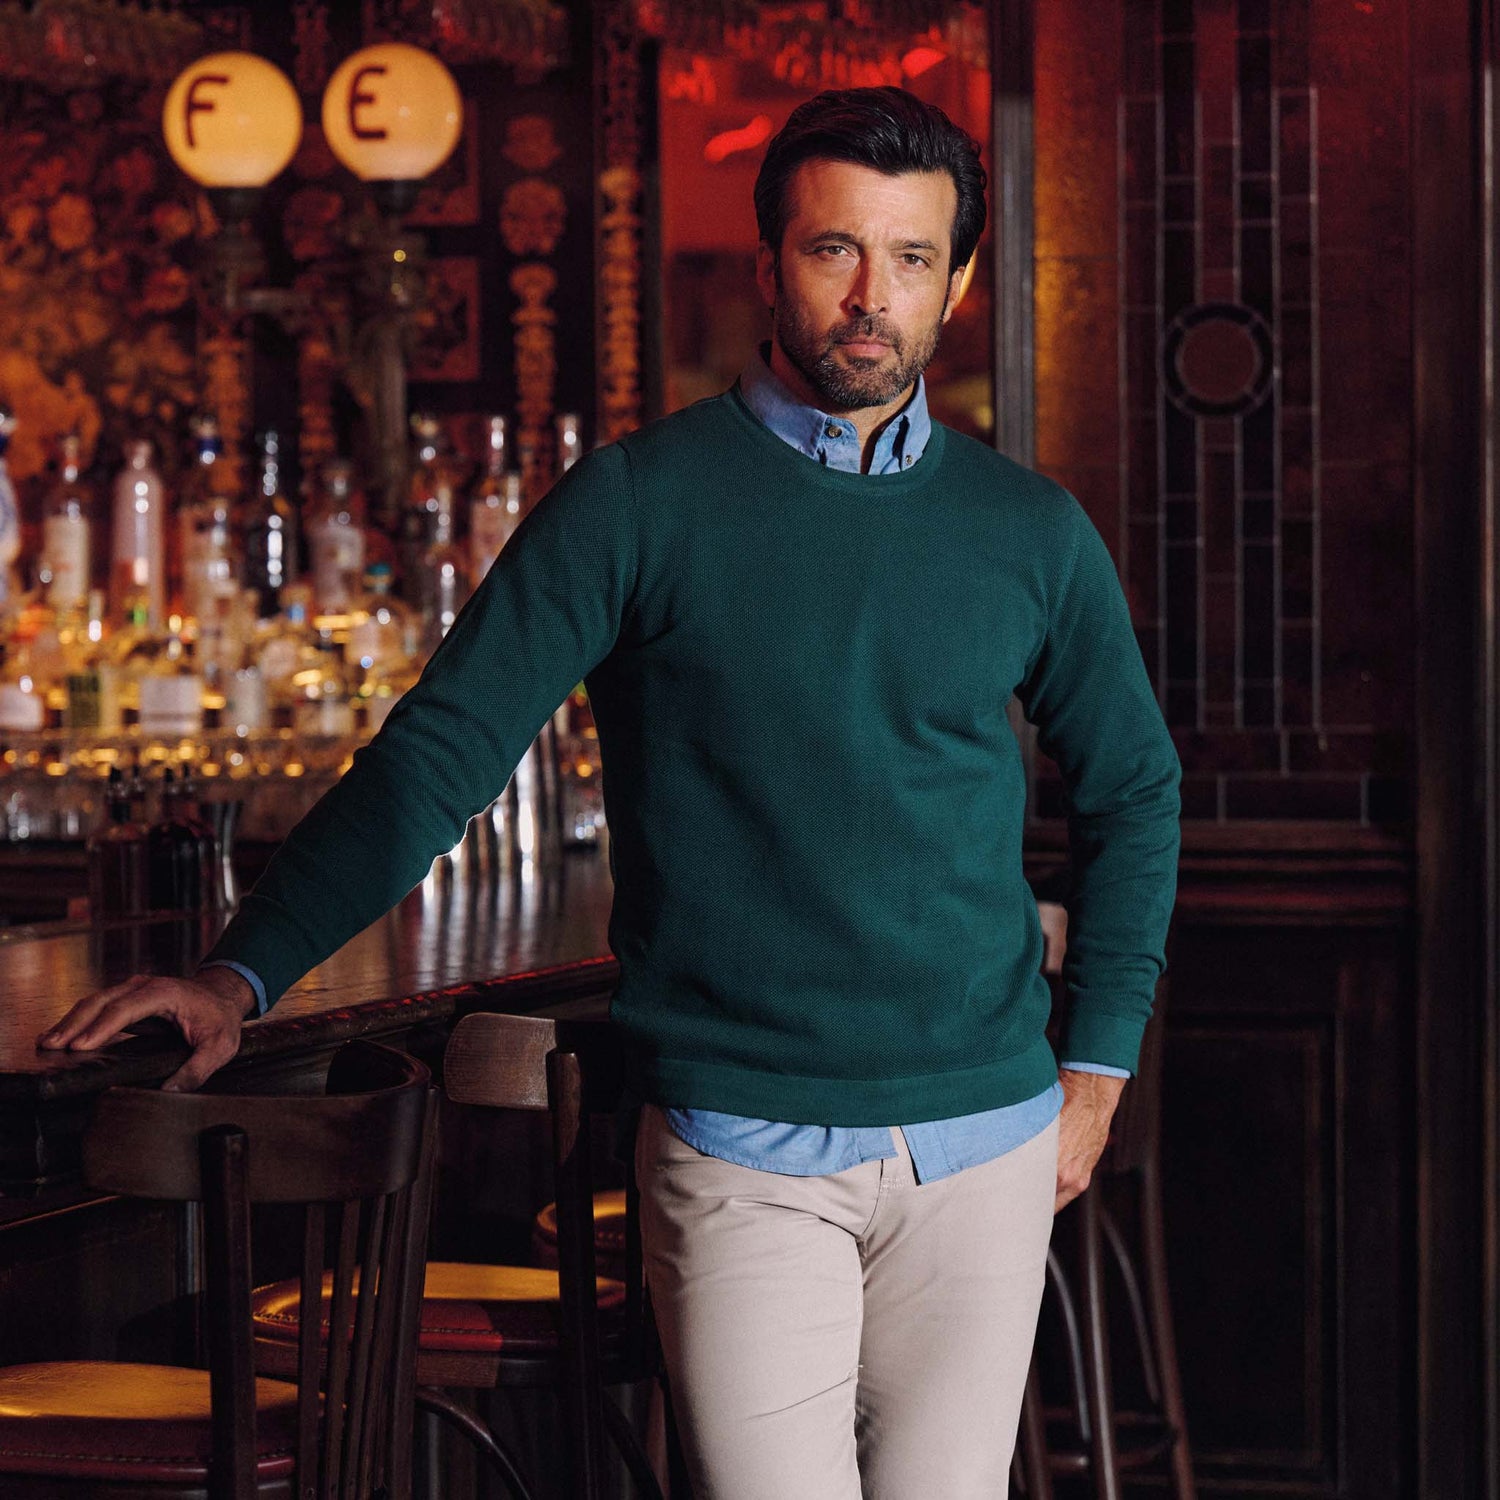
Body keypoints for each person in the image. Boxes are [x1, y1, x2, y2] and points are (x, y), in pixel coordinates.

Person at [43, 87, 1179, 1499]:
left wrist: (1098, 1070)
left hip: (990, 1143)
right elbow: (440, 755)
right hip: (744, 1148)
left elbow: (1136, 787)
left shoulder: (1029, 531)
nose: (870, 296)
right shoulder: (638, 502)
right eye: (835, 250)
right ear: (771, 264)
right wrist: (241, 975)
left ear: (957, 280)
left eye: (909, 257)